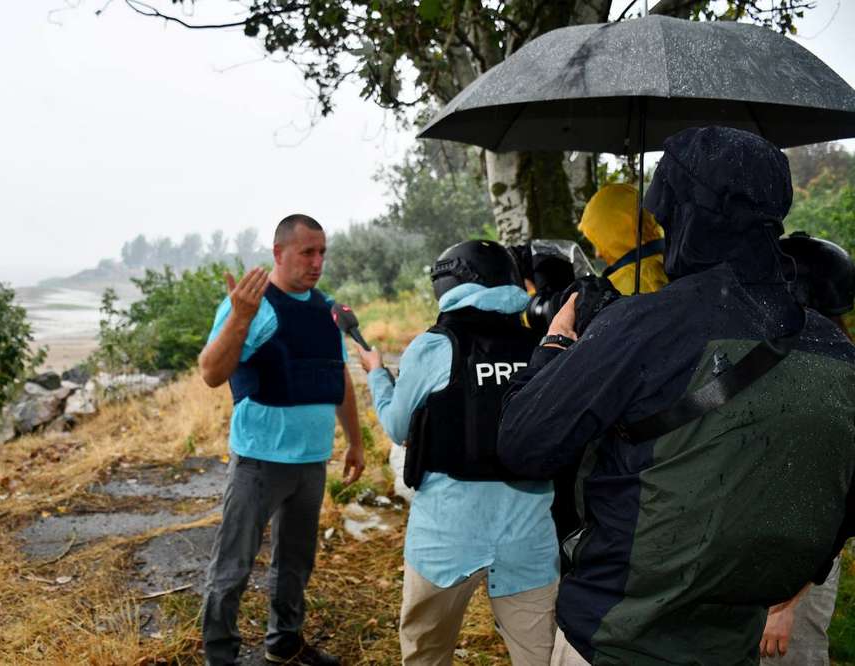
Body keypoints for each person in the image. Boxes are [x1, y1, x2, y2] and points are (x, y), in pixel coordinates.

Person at [496, 126, 855, 665]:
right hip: (735, 640)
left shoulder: (643, 327)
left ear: (686, 214)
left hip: (618, 638)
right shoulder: (833, 345)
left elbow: (523, 444)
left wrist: (555, 345)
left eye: (666, 215)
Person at [356, 240, 559, 665]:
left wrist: (377, 375)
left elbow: (396, 426)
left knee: (425, 651)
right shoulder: (541, 346)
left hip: (445, 536)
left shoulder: (434, 345)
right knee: (540, 655)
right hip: (529, 533)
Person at [198, 213, 365, 666]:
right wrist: (239, 318)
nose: (317, 262)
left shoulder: (327, 309)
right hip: (258, 460)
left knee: (295, 563)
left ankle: (284, 643)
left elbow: (339, 379)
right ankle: (220, 655)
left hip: (311, 461)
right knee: (232, 566)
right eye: (307, 252)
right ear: (279, 253)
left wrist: (355, 441)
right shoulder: (251, 305)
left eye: (322, 252)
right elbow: (212, 373)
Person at [759, 231, 855, 665]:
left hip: (799, 575)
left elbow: (839, 504)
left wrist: (788, 605)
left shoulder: (834, 382)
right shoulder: (767, 362)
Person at [577, 183, 668, 295]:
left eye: (600, 243)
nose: (598, 254)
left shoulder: (619, 287)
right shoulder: (675, 260)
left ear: (613, 231)